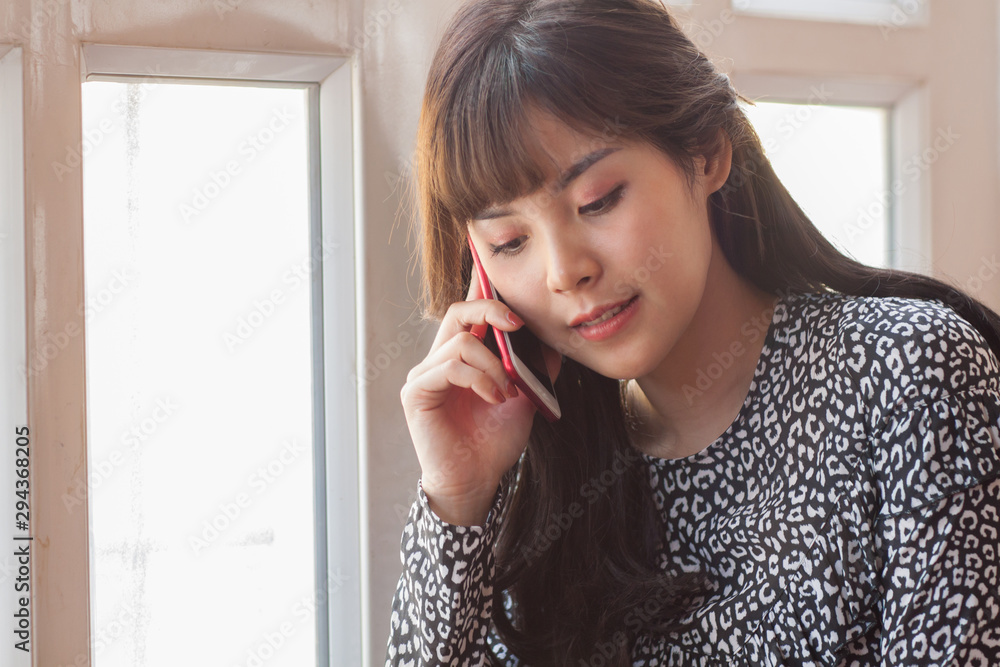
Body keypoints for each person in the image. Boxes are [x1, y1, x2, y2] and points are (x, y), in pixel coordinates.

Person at [384, 0, 1000, 665]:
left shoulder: (908, 372)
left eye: (598, 200)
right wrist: (456, 499)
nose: (564, 272)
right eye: (509, 241)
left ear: (706, 153)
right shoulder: (539, 478)